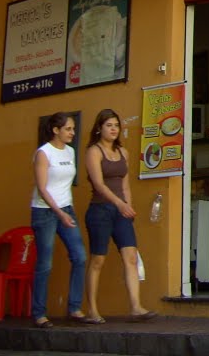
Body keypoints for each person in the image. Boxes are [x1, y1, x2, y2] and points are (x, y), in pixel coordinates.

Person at [83, 108, 156, 323]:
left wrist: (128, 208)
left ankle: (135, 306)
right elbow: (98, 184)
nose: (114, 129)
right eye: (109, 125)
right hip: (100, 211)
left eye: (116, 125)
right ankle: (93, 310)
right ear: (99, 128)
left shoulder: (123, 153)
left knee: (131, 257)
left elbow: (125, 185)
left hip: (121, 211)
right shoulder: (93, 151)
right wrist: (119, 204)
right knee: (98, 259)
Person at [31, 111, 88, 328]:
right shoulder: (43, 153)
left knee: (79, 256)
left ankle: (74, 307)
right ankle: (39, 313)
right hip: (45, 211)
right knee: (45, 263)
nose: (72, 133)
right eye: (68, 129)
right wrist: (60, 213)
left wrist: (67, 210)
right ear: (56, 130)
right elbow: (42, 188)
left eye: (73, 129)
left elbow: (65, 184)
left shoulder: (71, 152)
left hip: (66, 208)